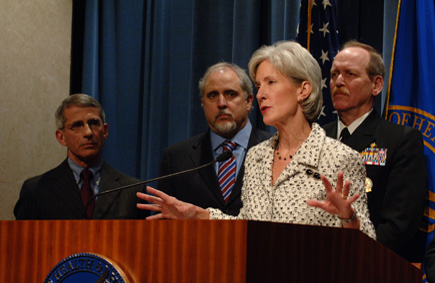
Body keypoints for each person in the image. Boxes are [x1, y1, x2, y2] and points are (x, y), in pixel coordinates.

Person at [137, 41, 376, 238]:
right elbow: (246, 225)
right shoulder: (257, 157)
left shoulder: (340, 158)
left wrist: (349, 218)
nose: (261, 94)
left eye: (271, 82)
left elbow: (368, 245)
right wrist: (196, 214)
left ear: (303, 90)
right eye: (259, 85)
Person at [323, 40, 427, 261]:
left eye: (350, 74)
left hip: (370, 263)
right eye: (334, 74)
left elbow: (400, 225)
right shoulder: (316, 137)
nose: (338, 82)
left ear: (376, 85)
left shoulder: (400, 140)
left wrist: (350, 255)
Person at [157, 62, 271, 216]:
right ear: (203, 104)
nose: (221, 103)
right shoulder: (176, 158)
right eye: (212, 95)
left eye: (231, 94)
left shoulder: (276, 149)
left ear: (249, 101)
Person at [14, 93, 148, 220]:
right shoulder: (36, 190)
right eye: (77, 125)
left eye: (94, 123)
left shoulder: (132, 190)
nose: (88, 132)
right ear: (61, 137)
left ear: (105, 131)